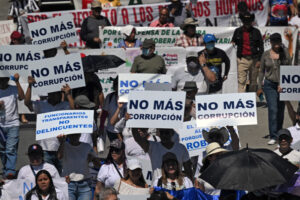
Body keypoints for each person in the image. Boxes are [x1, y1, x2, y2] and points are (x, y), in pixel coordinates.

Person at [25, 77, 74, 173]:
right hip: (45, 148)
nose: (59, 96)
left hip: (61, 147)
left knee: (61, 175)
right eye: (56, 94)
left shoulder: (64, 105)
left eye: (60, 93)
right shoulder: (41, 105)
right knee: (48, 175)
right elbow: (27, 103)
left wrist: (68, 94)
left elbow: (74, 111)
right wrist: (30, 86)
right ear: (50, 94)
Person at [257, 33, 291, 145]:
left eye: (279, 42)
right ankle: (273, 135)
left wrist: (284, 83)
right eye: (275, 42)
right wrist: (259, 87)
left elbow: (289, 67)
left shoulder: (284, 53)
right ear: (271, 42)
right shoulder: (265, 55)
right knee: (273, 109)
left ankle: (279, 133)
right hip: (269, 85)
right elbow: (261, 71)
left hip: (283, 85)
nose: (277, 45)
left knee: (281, 110)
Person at [58, 134, 97, 200]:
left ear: (80, 135)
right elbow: (59, 157)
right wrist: (61, 142)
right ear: (68, 136)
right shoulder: (64, 146)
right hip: (69, 184)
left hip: (85, 184)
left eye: (76, 135)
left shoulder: (87, 146)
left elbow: (97, 163)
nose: (74, 137)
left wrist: (93, 159)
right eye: (72, 135)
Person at [231, 12, 264, 93]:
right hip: (242, 59)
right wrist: (232, 44)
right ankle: (242, 100)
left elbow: (261, 47)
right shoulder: (237, 31)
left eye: (249, 21)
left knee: (253, 82)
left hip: (254, 59)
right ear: (242, 21)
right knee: (241, 81)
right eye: (245, 21)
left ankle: (251, 100)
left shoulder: (256, 32)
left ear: (251, 21)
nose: (247, 23)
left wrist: (259, 60)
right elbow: (233, 42)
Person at [0, 73, 25, 179]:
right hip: (1, 125)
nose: (2, 82)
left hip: (13, 123)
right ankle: (6, 169)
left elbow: (21, 97)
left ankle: (10, 170)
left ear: (7, 79)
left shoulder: (13, 88)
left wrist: (17, 81)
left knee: (10, 149)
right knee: (2, 149)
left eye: (4, 79)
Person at [99, 77, 126, 142]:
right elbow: (104, 113)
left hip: (125, 131)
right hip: (111, 130)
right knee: (114, 150)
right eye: (117, 84)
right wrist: (101, 126)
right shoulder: (110, 97)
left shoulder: (129, 97)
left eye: (121, 85)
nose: (119, 87)